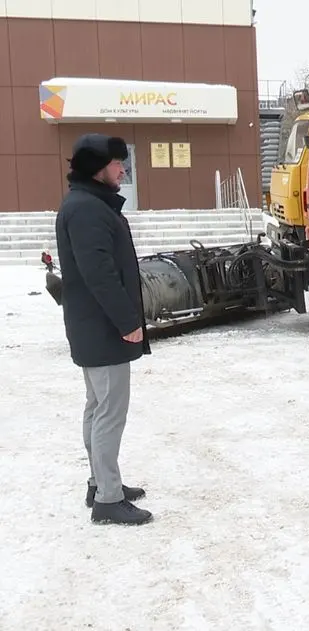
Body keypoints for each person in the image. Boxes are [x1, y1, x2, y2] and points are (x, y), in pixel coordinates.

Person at [55, 133, 153, 526]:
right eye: (117, 164)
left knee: (97, 408)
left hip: (92, 327)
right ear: (98, 169)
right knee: (109, 412)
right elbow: (101, 275)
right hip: (102, 329)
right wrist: (127, 322)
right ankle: (108, 499)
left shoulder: (86, 204)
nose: (123, 169)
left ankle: (101, 483)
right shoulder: (87, 209)